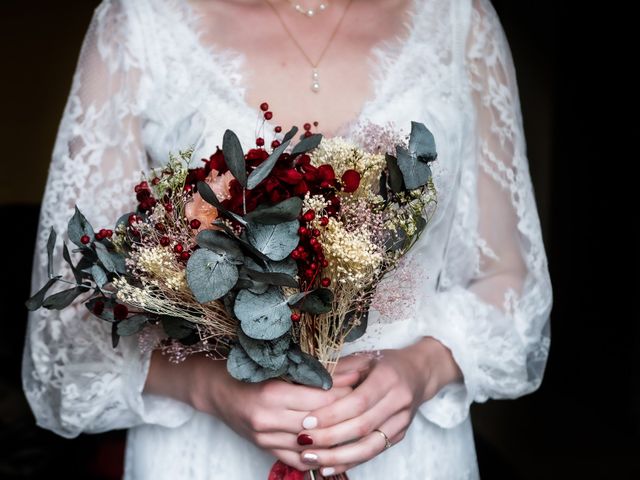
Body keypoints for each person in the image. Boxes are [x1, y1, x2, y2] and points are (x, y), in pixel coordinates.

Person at [22, 0, 552, 478]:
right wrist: (212, 388)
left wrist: (424, 366)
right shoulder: (138, 24)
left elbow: (512, 283)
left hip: (410, 456)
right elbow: (67, 339)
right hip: (205, 456)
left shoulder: (460, 19)